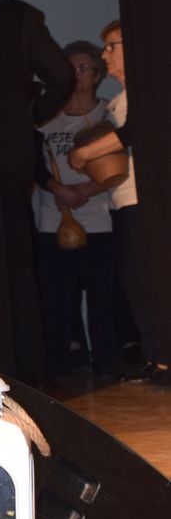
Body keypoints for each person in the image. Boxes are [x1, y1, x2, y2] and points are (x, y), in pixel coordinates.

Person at [69, 20, 169, 384]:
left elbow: (133, 133)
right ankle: (157, 356)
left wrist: (86, 153)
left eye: (112, 47)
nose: (105, 55)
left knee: (149, 280)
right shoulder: (119, 100)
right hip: (125, 200)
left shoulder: (148, 93)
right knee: (134, 281)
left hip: (147, 200)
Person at [0, 0, 74, 385]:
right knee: (17, 263)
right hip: (8, 153)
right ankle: (27, 371)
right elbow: (62, 75)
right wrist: (30, 114)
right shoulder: (19, 16)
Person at [34, 41, 117, 378]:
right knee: (58, 296)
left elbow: (118, 164)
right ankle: (61, 361)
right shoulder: (46, 116)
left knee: (103, 295)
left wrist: (84, 190)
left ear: (97, 75)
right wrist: (58, 189)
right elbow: (33, 162)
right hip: (53, 219)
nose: (76, 75)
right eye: (70, 68)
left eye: (83, 68)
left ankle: (107, 361)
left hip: (98, 218)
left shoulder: (107, 113)